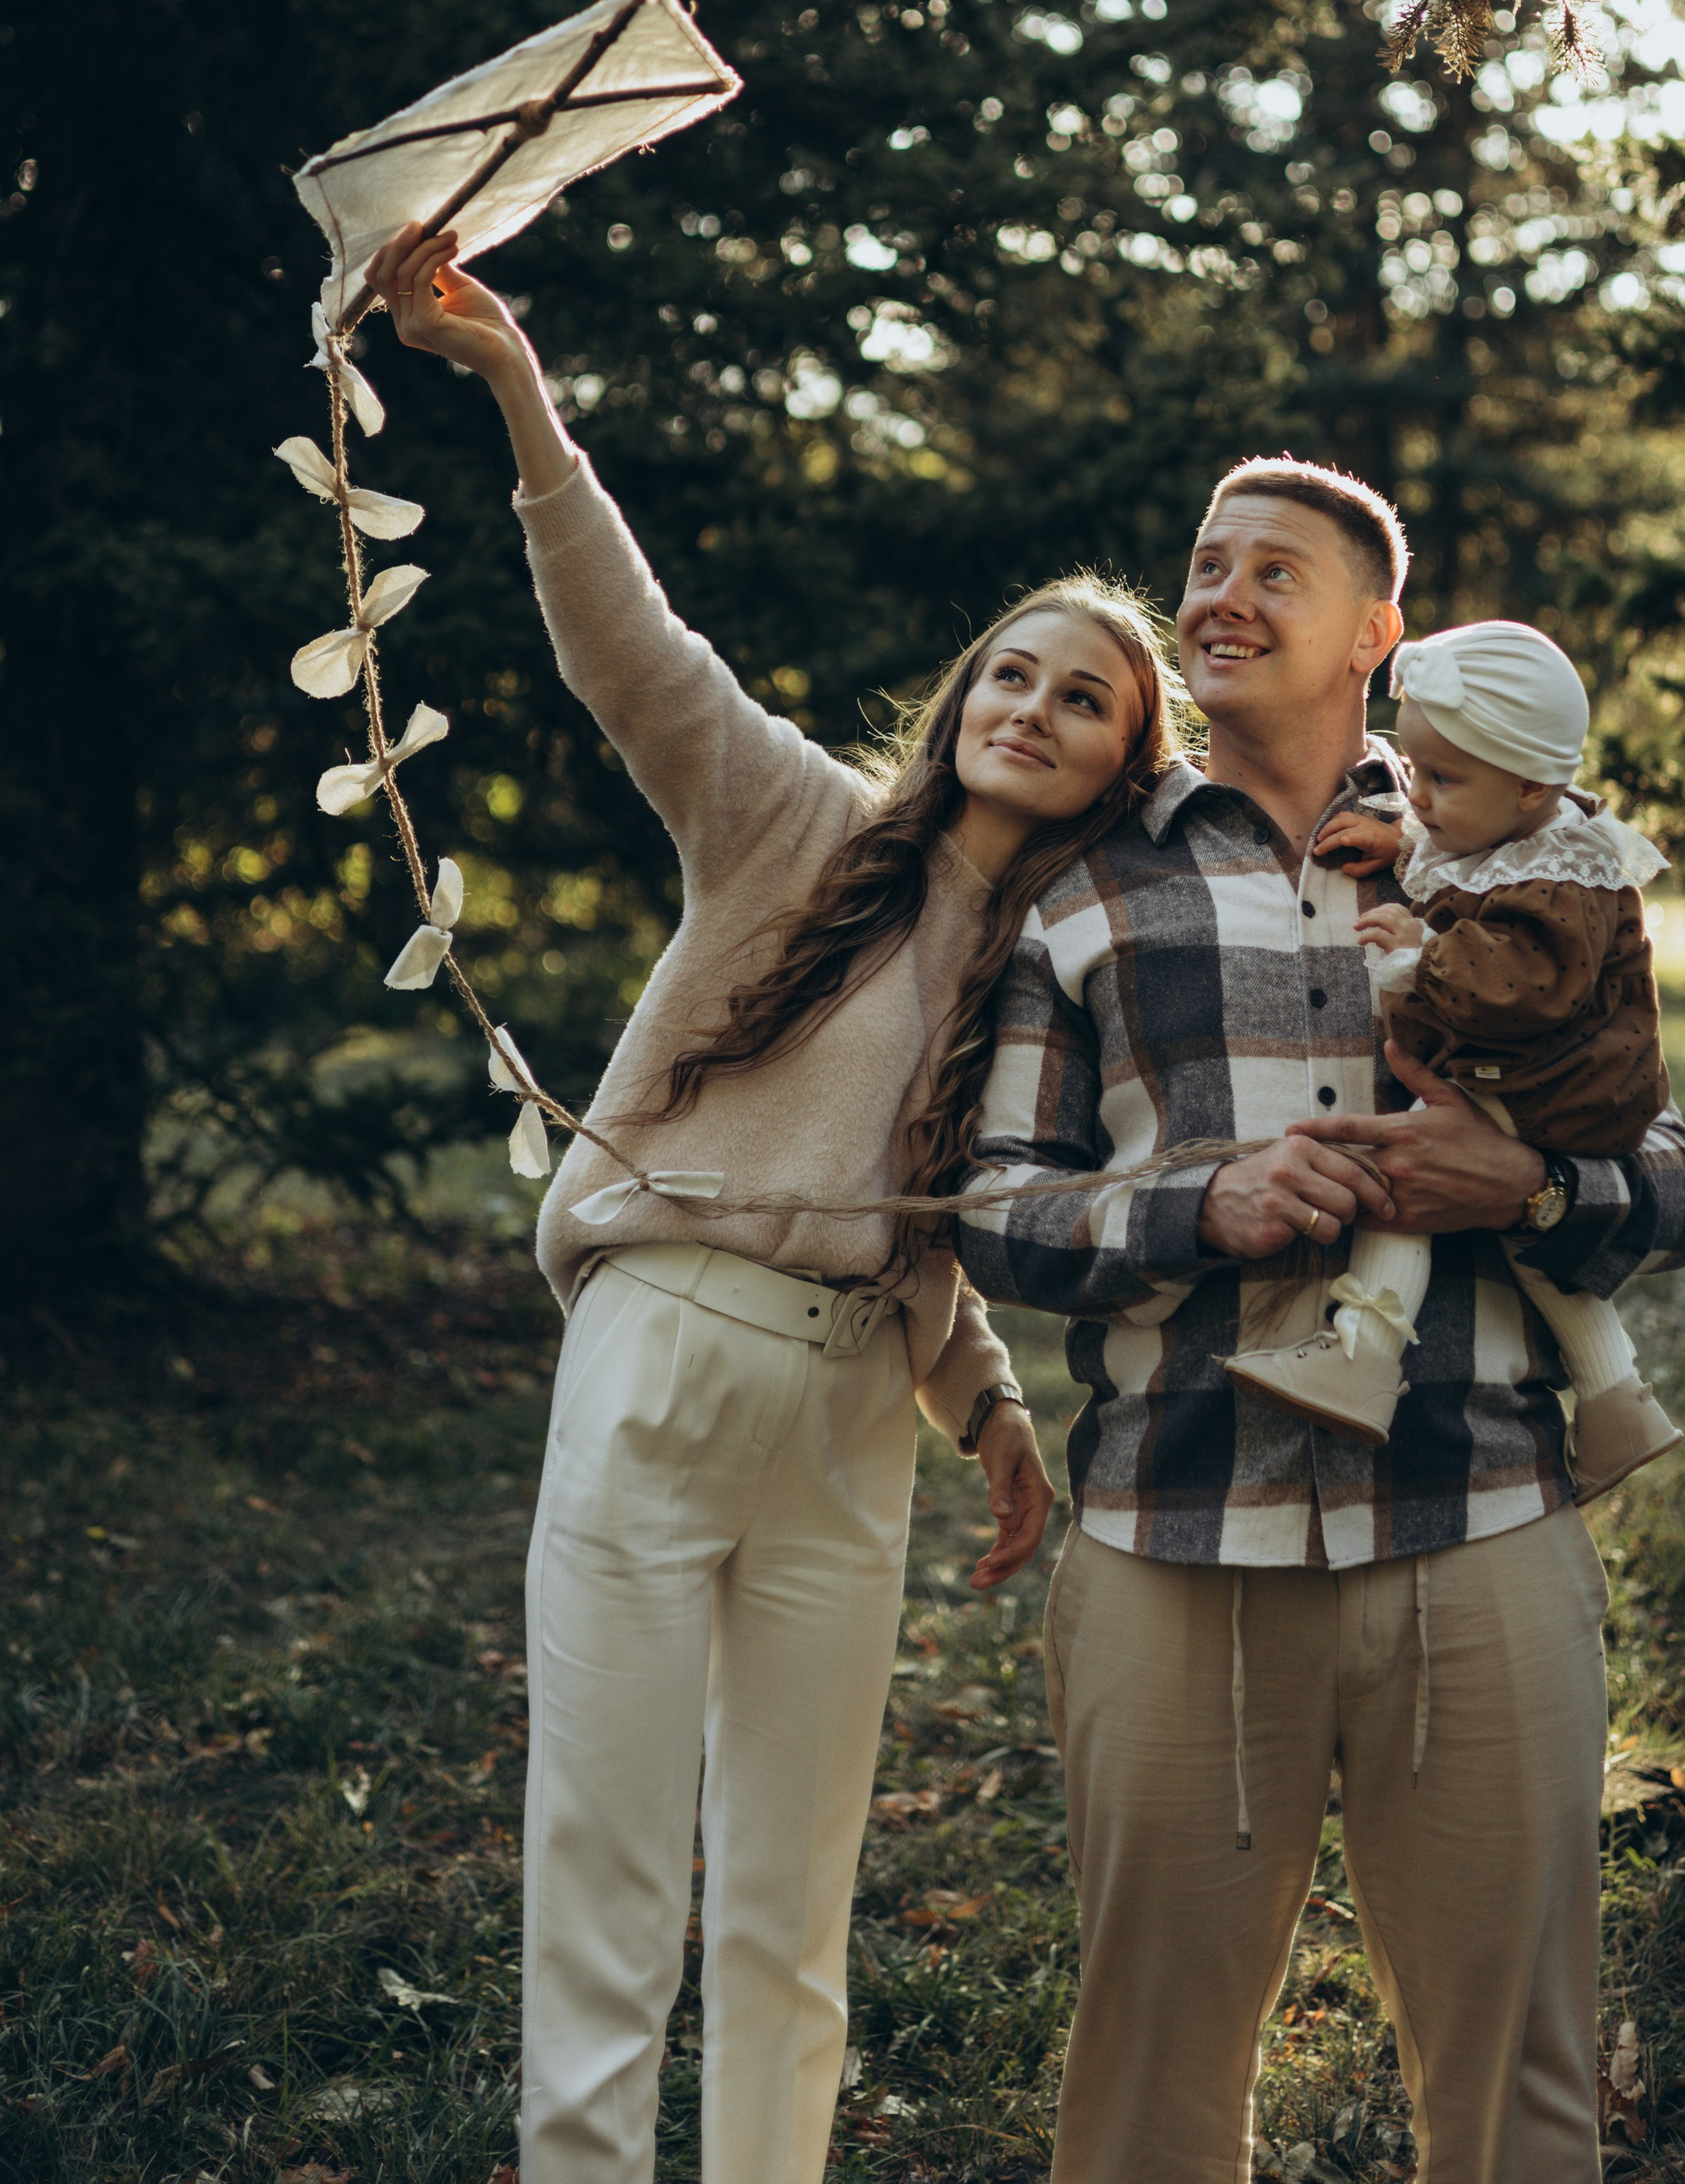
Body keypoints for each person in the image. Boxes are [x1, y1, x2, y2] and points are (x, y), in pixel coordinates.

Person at [364, 222, 1186, 2184]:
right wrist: (515, 391)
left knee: (790, 1911)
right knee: (608, 1877)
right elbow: (628, 645)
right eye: (1011, 669)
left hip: (844, 1428)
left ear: (1116, 768)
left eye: (1082, 699)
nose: (1032, 704)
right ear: (958, 695)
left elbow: (918, 1221)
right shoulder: (791, 818)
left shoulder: (1057, 966)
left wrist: (985, 1413)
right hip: (664, 1351)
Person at [955, 453, 1685, 2184]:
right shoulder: (1083, 895)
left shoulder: (1528, 854)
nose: (1218, 594)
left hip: (1485, 1517)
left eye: (1273, 570)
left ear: (1378, 628)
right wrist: (1192, 1207)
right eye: (1203, 563)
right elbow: (994, 1210)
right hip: (1173, 1528)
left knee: (1520, 2070)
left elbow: (1665, 1175)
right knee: (1148, 2072)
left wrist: (1513, 1193)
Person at [1225, 618, 1684, 1500]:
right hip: (1556, 1075)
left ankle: (1363, 1356)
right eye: (1415, 768)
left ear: (1528, 787)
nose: (1420, 796)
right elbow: (1469, 852)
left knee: (1409, 1173)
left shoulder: (1566, 878)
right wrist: (1403, 843)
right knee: (1517, 1239)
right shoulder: (1515, 831)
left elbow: (1525, 984)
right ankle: (1618, 1400)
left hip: (1568, 1083)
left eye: (1442, 780)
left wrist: (1418, 948)